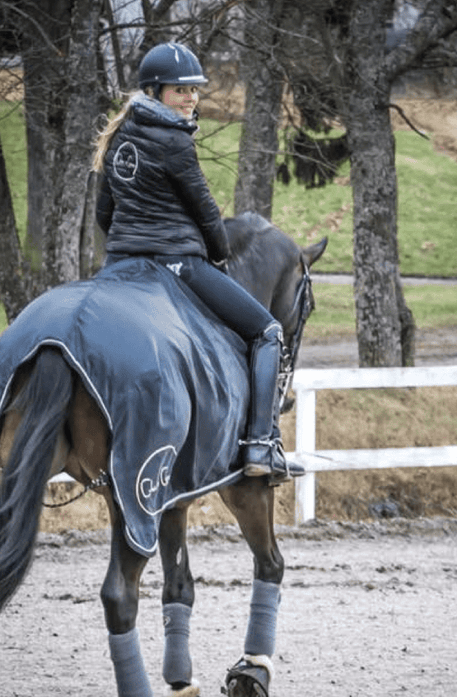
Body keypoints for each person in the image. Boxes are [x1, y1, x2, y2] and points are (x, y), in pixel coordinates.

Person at [92, 41, 302, 484]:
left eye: (193, 91)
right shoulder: (174, 141)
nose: (190, 99)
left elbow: (103, 216)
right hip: (177, 265)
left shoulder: (118, 139)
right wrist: (220, 255)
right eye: (179, 91)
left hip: (121, 265)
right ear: (154, 92)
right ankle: (261, 446)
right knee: (267, 332)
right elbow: (208, 214)